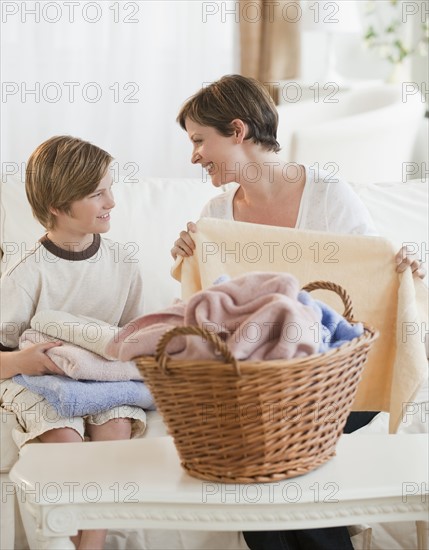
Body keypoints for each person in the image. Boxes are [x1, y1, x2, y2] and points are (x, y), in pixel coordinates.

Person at [171, 74, 425, 550]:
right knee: (262, 441)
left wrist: (406, 267)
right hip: (265, 383)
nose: (194, 157)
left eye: (200, 141)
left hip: (339, 376)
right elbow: (209, 314)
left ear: (239, 131)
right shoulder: (216, 216)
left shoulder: (328, 196)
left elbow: (372, 281)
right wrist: (189, 256)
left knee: (262, 442)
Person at [0, 136, 146, 550]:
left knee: (116, 424)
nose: (111, 201)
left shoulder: (123, 263)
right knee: (65, 439)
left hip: (101, 379)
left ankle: (90, 545)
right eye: (97, 193)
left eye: (110, 188)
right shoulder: (26, 273)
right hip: (35, 377)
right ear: (59, 207)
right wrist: (26, 361)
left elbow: (131, 337)